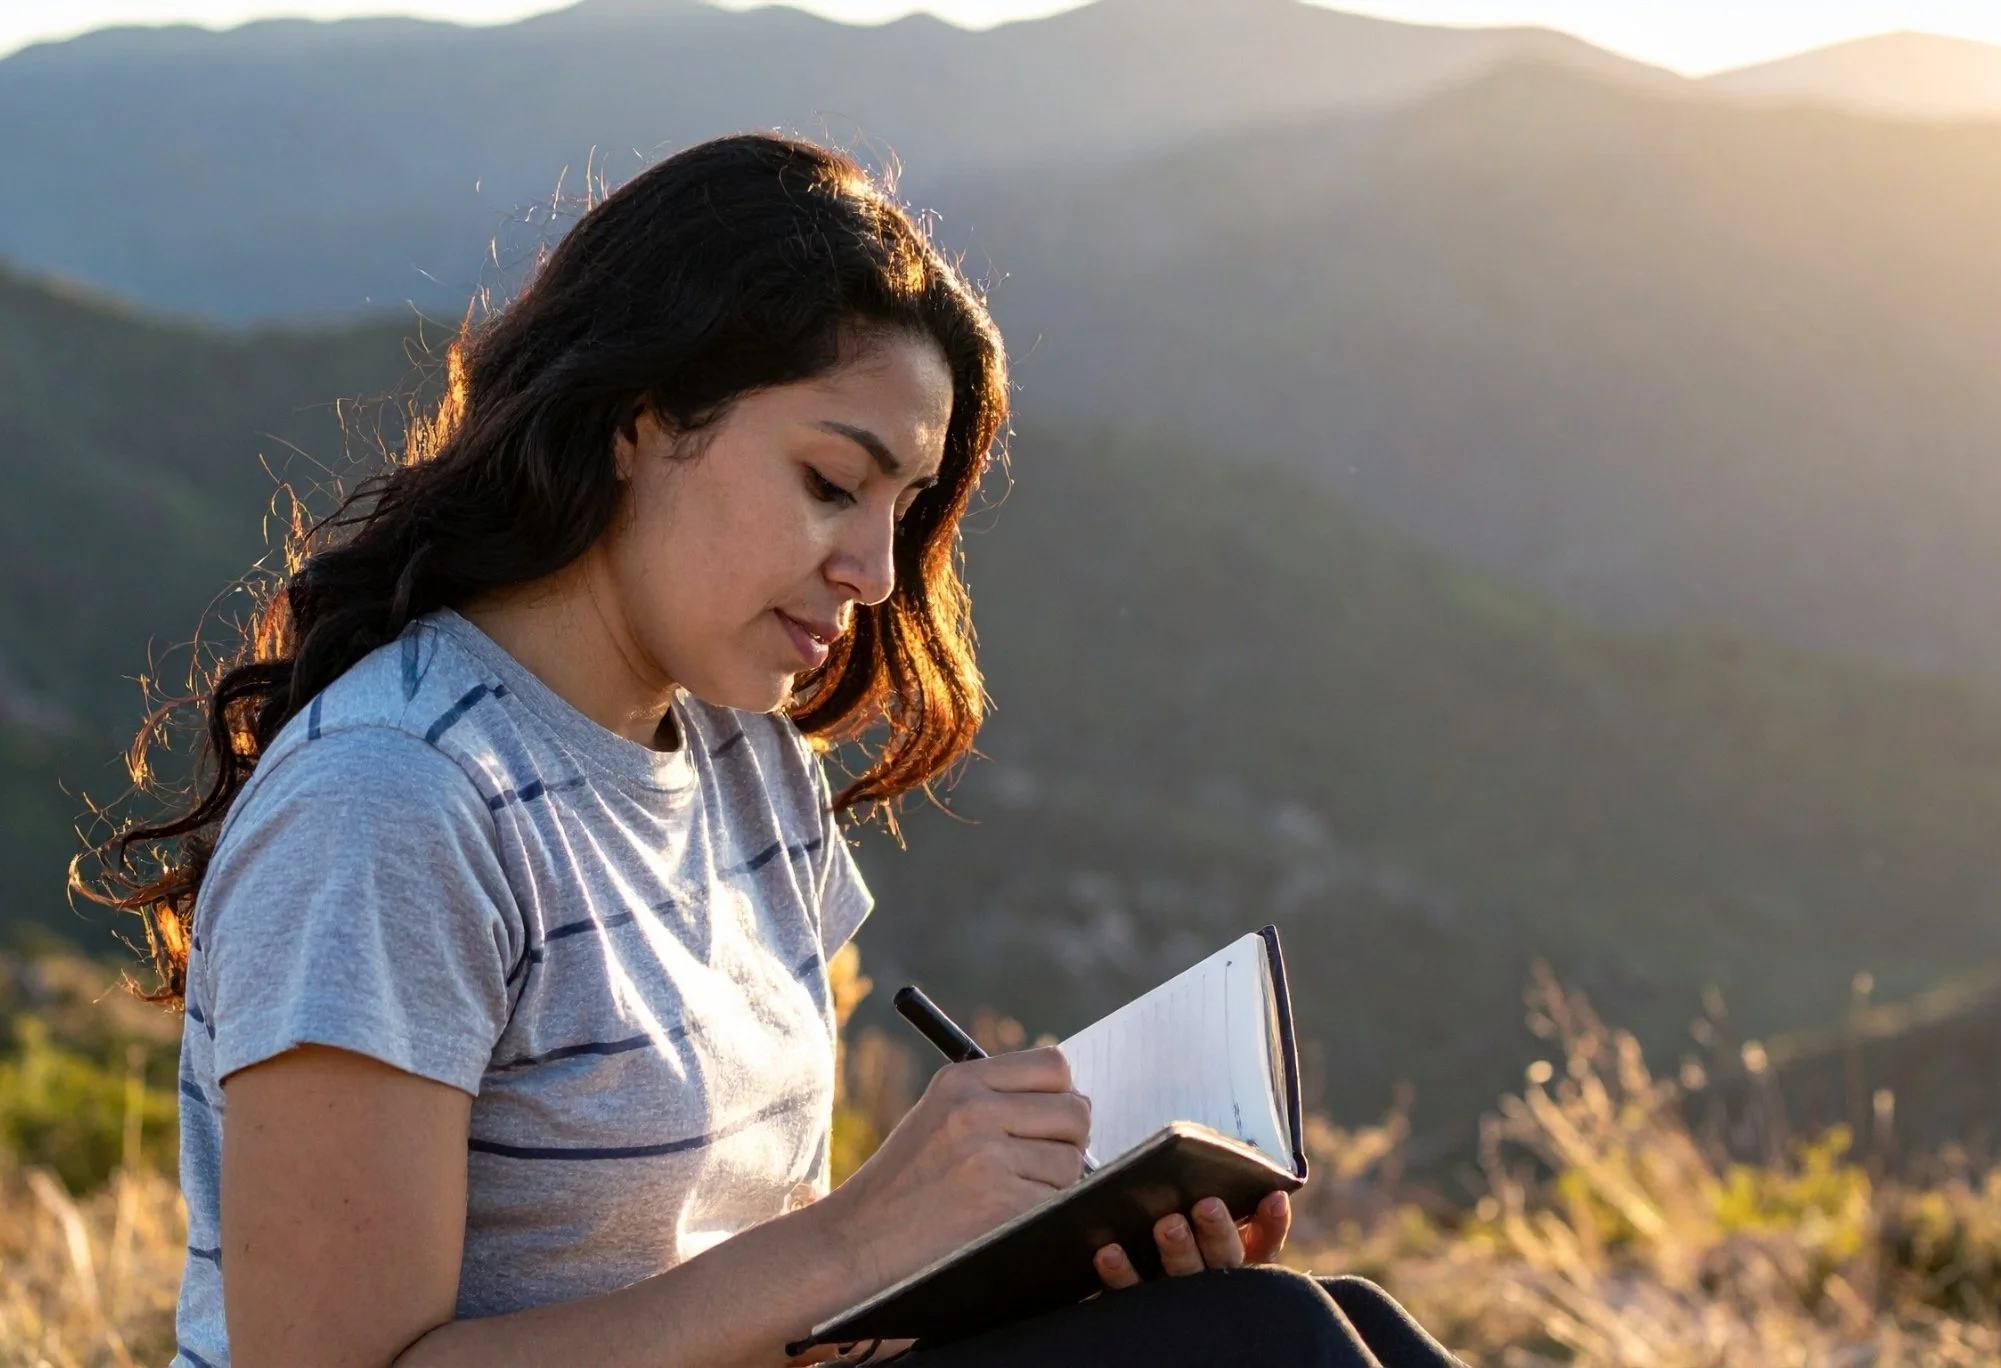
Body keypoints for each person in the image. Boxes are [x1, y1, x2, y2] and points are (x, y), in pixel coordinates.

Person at [80, 133, 1464, 1368]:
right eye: (828, 482)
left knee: (1326, 1328)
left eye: (904, 509)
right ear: (638, 419)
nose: (873, 569)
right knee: (1264, 1345)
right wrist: (861, 1237)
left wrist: (1029, 1253)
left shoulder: (745, 762)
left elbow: (738, 1284)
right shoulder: (394, 805)